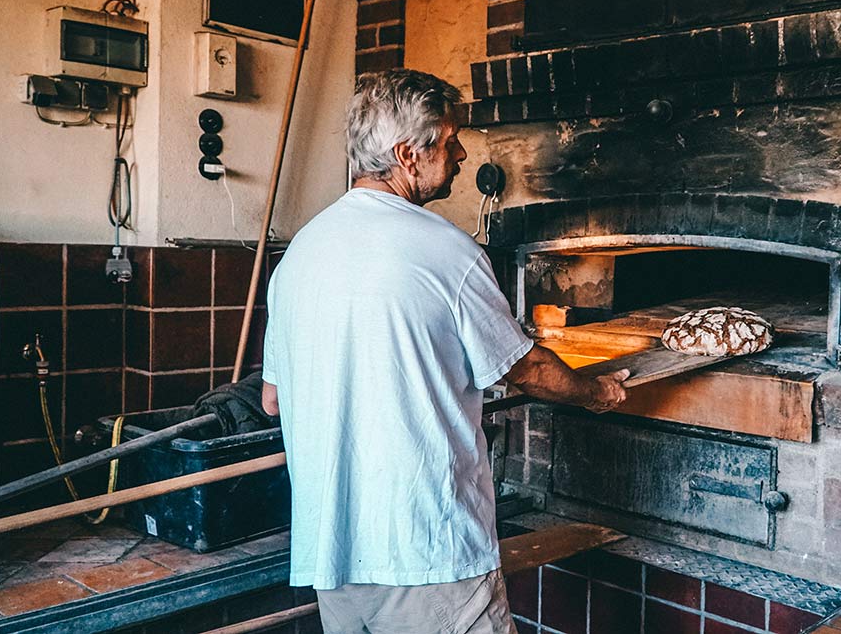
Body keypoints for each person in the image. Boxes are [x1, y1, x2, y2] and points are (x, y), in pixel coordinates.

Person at [260, 69, 630, 634]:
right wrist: (597, 391)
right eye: (451, 139)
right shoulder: (446, 251)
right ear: (408, 154)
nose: (460, 154)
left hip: (331, 555)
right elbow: (525, 369)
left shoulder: (299, 254)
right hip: (427, 555)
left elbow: (273, 400)